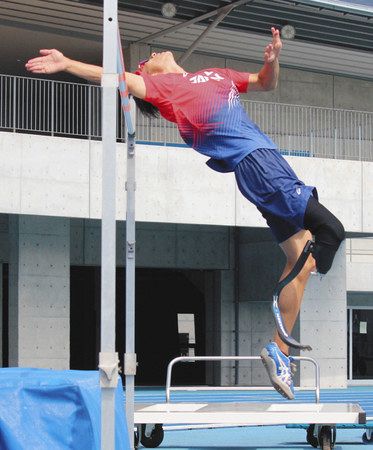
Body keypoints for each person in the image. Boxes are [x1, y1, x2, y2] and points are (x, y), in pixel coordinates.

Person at [26, 28, 345, 400]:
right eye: (144, 64)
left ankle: (279, 350)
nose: (150, 57)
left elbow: (264, 84)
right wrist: (66, 63)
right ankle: (294, 309)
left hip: (266, 164)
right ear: (151, 77)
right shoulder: (166, 92)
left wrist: (271, 61)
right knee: (331, 231)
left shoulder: (216, 74)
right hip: (259, 165)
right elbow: (113, 78)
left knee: (299, 259)